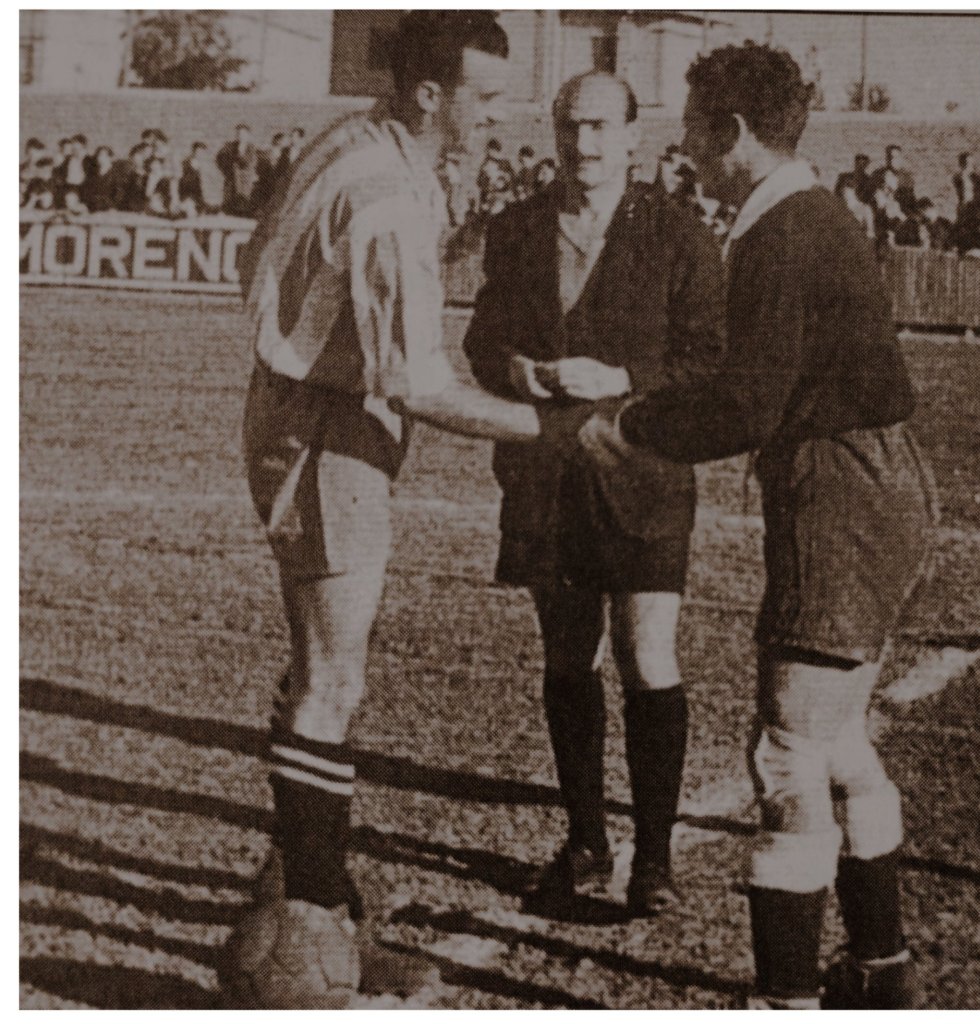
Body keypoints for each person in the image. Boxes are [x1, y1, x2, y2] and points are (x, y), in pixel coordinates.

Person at [580, 41, 935, 1010]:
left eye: (694, 131)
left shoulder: (780, 231)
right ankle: (880, 971)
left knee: (787, 749)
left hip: (840, 494)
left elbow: (748, 404)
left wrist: (630, 429)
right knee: (837, 737)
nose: (686, 151)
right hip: (874, 482)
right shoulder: (805, 216)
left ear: (731, 131)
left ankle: (786, 999)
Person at [226, 11, 551, 1008]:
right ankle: (314, 927)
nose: (499, 117)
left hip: (308, 410)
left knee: (319, 665)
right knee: (333, 676)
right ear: (428, 95)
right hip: (329, 431)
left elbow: (254, 256)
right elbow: (416, 381)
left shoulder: (360, 138)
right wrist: (551, 430)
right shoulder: (383, 198)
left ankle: (302, 892)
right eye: (485, 99)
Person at [464, 71, 726, 918]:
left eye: (602, 127)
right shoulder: (517, 227)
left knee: (647, 654)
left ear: (634, 135)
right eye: (571, 126)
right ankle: (585, 843)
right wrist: (517, 370)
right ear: (554, 131)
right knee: (567, 656)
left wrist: (620, 377)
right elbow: (483, 339)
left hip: (644, 475)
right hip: (546, 475)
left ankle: (654, 863)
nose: (585, 144)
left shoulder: (678, 233)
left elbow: (709, 360)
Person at [217, 123, 259, 217]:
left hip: (245, 179)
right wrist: (226, 170)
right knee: (231, 198)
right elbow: (220, 158)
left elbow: (248, 161)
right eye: (238, 134)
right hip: (233, 179)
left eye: (243, 134)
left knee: (244, 199)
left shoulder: (251, 148)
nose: (240, 136)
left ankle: (243, 213)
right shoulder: (230, 146)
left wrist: (237, 156)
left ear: (248, 135)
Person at [870, 144, 915, 216]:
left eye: (896, 158)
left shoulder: (907, 177)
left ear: (901, 159)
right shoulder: (878, 174)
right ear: (886, 159)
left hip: (903, 209)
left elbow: (911, 199)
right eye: (890, 157)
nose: (892, 160)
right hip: (884, 211)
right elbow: (874, 196)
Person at [477, 136, 515, 212]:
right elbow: (479, 181)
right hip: (488, 198)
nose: (487, 153)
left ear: (492, 150)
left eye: (488, 150)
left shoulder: (506, 163)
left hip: (501, 198)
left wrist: (503, 182)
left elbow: (512, 180)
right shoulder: (485, 163)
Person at [178, 142, 214, 216]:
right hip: (188, 192)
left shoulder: (198, 164)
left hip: (196, 194)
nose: (202, 155)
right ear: (195, 151)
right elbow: (186, 180)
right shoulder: (189, 162)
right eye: (199, 152)